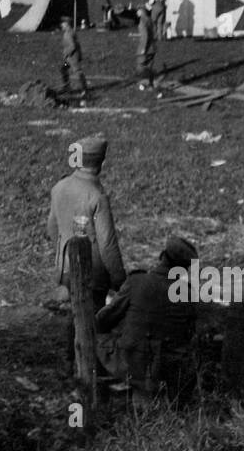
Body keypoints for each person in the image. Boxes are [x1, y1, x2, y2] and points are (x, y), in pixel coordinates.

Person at [47, 135, 127, 370]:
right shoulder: (96, 195)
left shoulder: (59, 187)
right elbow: (108, 244)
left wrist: (64, 252)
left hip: (66, 265)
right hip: (93, 272)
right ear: (100, 163)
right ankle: (87, 366)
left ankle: (70, 359)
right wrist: (120, 279)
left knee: (75, 311)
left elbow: (51, 227)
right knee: (92, 317)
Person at [97, 237, 199, 399]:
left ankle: (96, 389)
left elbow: (103, 320)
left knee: (97, 335)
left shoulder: (137, 281)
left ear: (162, 256)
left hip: (133, 363)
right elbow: (189, 333)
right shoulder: (187, 293)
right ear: (184, 268)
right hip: (169, 367)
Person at [59, 16, 89, 100]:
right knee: (63, 69)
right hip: (68, 59)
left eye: (63, 23)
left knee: (78, 72)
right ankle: (66, 87)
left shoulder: (68, 33)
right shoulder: (69, 32)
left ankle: (84, 90)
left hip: (72, 57)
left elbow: (72, 46)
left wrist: (66, 53)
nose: (61, 25)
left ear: (67, 24)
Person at [136, 7, 158, 89]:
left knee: (140, 65)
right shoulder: (149, 19)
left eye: (138, 11)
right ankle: (151, 84)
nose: (136, 13)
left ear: (141, 12)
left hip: (145, 47)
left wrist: (143, 49)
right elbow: (152, 33)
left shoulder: (142, 21)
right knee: (149, 65)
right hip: (152, 46)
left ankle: (143, 82)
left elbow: (145, 35)